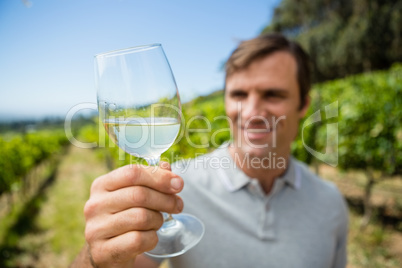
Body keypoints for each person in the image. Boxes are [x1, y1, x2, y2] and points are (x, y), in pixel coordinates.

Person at [71, 33, 349, 268]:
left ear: (303, 105)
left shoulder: (331, 204)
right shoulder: (175, 187)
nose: (251, 112)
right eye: (239, 95)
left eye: (273, 94)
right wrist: (95, 259)